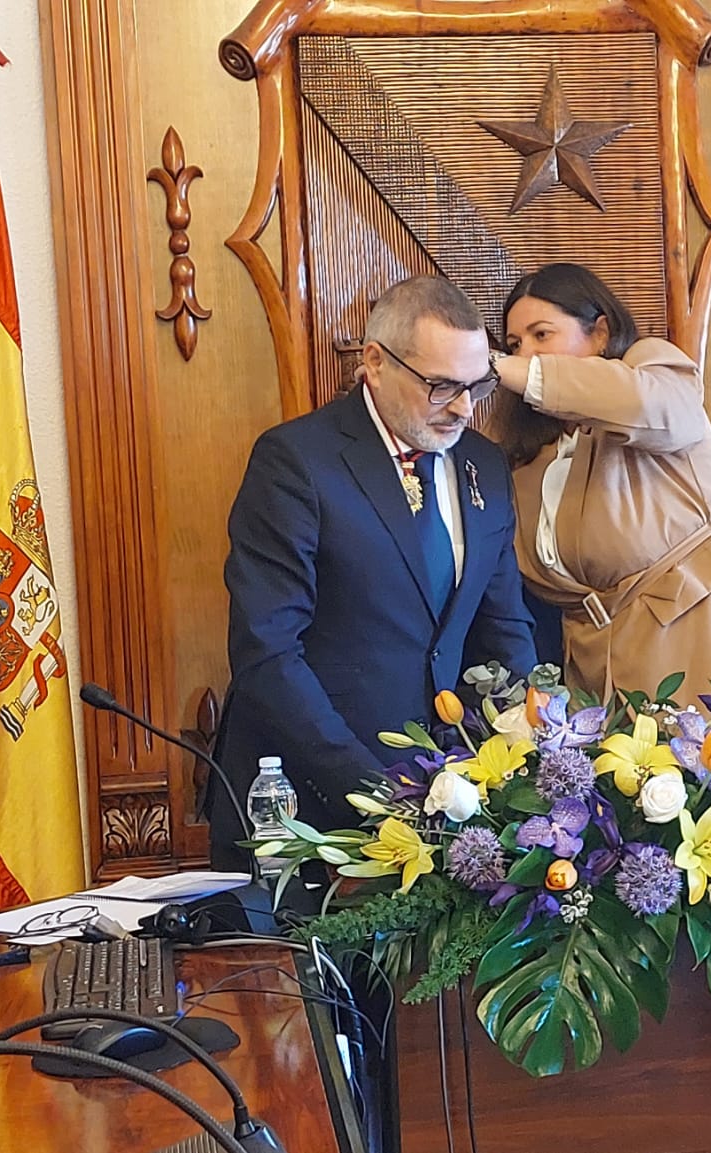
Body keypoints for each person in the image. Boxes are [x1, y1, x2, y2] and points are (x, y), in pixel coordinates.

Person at [215, 276, 536, 854]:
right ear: (375, 362)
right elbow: (268, 652)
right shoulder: (296, 462)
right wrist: (371, 794)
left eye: (476, 385)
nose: (464, 409)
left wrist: (518, 771)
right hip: (315, 804)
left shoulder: (483, 465)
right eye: (441, 387)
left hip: (454, 807)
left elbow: (504, 628)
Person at [493, 263, 711, 701]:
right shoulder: (527, 454)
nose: (523, 354)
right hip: (600, 672)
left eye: (541, 335)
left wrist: (510, 371)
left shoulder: (652, 370)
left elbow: (658, 409)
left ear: (601, 333)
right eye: (513, 345)